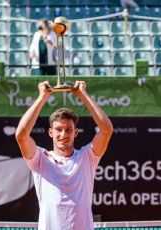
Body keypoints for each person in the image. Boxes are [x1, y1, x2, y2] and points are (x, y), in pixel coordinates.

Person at [15, 81, 113, 230]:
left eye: (68, 130)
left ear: (75, 132)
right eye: (58, 129)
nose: (63, 134)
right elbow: (21, 135)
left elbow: (107, 130)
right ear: (50, 132)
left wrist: (82, 94)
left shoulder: (87, 157)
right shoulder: (40, 158)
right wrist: (42, 96)